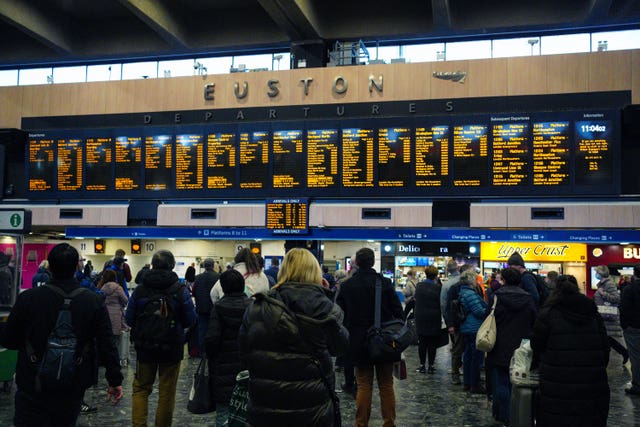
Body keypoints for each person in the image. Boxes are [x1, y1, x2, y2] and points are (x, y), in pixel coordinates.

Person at [0, 243, 123, 426]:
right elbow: (107, 343)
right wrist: (115, 380)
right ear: (76, 267)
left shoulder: (28, 298)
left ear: (49, 265)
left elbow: (9, 340)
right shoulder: (92, 301)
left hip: (32, 383)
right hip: (72, 384)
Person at [239, 248, 349, 426]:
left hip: (266, 405)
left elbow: (244, 354)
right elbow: (341, 347)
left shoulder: (257, 306)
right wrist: (326, 296)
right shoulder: (324, 307)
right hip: (312, 408)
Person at [125, 250, 196, 427]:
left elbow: (128, 318)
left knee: (141, 389)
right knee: (167, 392)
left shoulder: (141, 289)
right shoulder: (180, 289)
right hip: (171, 347)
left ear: (153, 265)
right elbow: (190, 319)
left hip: (144, 346)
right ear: (172, 266)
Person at [337, 247, 404, 427]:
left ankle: (360, 424)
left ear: (356, 263)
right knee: (386, 384)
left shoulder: (347, 286)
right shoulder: (385, 283)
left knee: (364, 385)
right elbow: (399, 313)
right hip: (384, 341)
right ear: (373, 262)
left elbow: (339, 316)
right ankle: (388, 423)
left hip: (358, 341)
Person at [531, 274, 610, 426]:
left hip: (557, 382)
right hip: (591, 382)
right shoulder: (592, 313)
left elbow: (537, 344)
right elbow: (605, 346)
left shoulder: (548, 312)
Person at [486, 267, 536, 425]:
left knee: (501, 380)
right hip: (521, 345)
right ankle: (516, 415)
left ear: (504, 280)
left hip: (499, 343)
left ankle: (504, 415)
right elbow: (533, 319)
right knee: (517, 381)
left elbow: (488, 317)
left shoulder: (496, 297)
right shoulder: (528, 298)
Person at [205, 269, 251, 426]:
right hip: (248, 367)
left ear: (223, 287)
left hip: (222, 368)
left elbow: (211, 339)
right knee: (247, 412)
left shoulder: (218, 308)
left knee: (223, 411)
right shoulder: (252, 307)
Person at [459, 268, 488, 393]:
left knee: (468, 357)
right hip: (474, 328)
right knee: (476, 358)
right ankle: (474, 384)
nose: (477, 281)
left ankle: (467, 383)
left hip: (466, 327)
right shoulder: (470, 293)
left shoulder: (463, 292)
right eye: (476, 279)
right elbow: (478, 311)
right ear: (471, 281)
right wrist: (488, 311)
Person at [594, 265, 629, 365]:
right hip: (603, 314)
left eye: (597, 272)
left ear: (601, 273)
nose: (596, 274)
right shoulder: (601, 284)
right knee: (607, 338)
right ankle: (623, 352)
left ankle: (607, 359)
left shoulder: (608, 284)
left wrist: (603, 293)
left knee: (606, 338)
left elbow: (617, 298)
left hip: (607, 314)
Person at [413, 265, 443, 374]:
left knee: (422, 342)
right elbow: (441, 303)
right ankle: (431, 365)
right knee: (432, 343)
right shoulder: (438, 288)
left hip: (421, 317)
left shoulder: (419, 286)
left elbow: (415, 299)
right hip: (434, 317)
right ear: (436, 275)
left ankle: (421, 365)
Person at [441, 259, 463, 384]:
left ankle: (456, 371)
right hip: (467, 323)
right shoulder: (472, 285)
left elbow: (444, 306)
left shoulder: (447, 285)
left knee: (456, 347)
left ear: (448, 270)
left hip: (454, 322)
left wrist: (448, 322)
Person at [98, 269, 129, 357]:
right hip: (116, 315)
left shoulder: (101, 287)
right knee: (115, 340)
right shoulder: (118, 288)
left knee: (105, 338)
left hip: (105, 314)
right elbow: (125, 300)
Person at [193, 258, 220, 355]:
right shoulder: (218, 277)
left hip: (201, 308)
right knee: (215, 330)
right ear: (213, 266)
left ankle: (202, 351)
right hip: (215, 308)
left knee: (202, 330)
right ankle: (213, 351)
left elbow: (194, 292)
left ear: (204, 266)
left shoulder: (197, 277)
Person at [621, 265, 640, 395]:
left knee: (636, 357)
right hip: (633, 326)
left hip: (633, 327)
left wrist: (625, 325)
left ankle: (637, 385)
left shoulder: (629, 289)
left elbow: (624, 309)